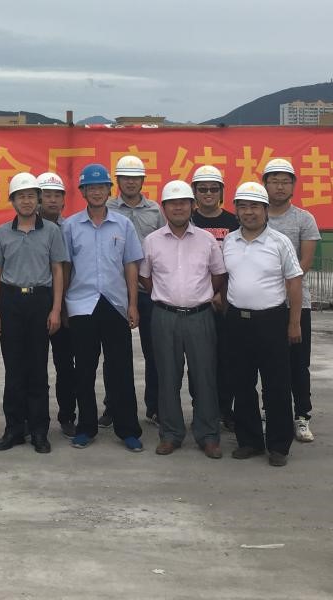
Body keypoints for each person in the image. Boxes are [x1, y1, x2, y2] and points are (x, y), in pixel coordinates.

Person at [138, 180, 226, 458]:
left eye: (184, 203)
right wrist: (166, 296)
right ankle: (171, 434)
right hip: (164, 317)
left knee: (205, 377)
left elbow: (218, 274)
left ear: (192, 206)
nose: (178, 207)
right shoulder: (152, 241)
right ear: (164, 208)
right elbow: (145, 277)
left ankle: (208, 435)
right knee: (167, 376)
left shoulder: (206, 240)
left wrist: (201, 295)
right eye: (173, 203)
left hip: (200, 316)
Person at [62, 164, 144, 452]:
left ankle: (128, 429)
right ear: (83, 192)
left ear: (110, 190)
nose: (96, 192)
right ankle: (86, 428)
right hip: (81, 305)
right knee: (84, 370)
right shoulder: (70, 226)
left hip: (115, 304)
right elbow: (65, 268)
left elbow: (130, 265)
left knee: (121, 369)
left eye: (101, 187)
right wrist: (62, 307)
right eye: (91, 188)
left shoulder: (123, 225)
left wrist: (133, 304)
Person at [221, 182, 303, 468]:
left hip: (271, 321)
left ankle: (278, 445)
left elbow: (294, 282)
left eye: (254, 206)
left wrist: (294, 323)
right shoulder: (229, 241)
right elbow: (225, 278)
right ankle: (250, 441)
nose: (249, 212)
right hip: (237, 321)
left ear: (266, 210)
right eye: (243, 206)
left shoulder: (279, 242)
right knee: (241, 383)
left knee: (276, 384)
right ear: (236, 211)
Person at [0, 172, 66, 453]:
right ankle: (14, 429)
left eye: (31, 196)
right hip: (10, 302)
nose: (27, 201)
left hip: (40, 301)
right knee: (14, 369)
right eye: (21, 196)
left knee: (37, 369)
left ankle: (39, 430)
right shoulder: (2, 233)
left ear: (38, 200)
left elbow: (57, 270)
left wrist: (56, 309)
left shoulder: (52, 231)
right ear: (12, 201)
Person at [263, 158, 322, 444]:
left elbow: (304, 263)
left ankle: (302, 416)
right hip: (263, 305)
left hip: (296, 303)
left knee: (298, 363)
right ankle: (271, 413)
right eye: (274, 181)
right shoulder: (254, 215)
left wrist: (284, 288)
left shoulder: (303, 219)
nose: (279, 186)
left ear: (294, 186)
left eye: (285, 181)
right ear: (264, 185)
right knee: (267, 363)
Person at [107, 154, 166, 426]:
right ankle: (113, 406)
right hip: (116, 291)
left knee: (155, 353)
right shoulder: (107, 208)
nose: (130, 182)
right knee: (115, 355)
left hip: (150, 291)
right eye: (125, 178)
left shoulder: (155, 211)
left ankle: (155, 406)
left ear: (143, 181)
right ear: (117, 181)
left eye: (135, 178)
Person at [190, 164, 241, 431]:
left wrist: (222, 294)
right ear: (194, 193)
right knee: (198, 361)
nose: (208, 193)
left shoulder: (234, 222)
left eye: (213, 189)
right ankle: (200, 409)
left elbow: (240, 262)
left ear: (221, 192)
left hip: (228, 301)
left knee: (227, 358)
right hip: (197, 302)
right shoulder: (187, 221)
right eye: (203, 189)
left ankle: (224, 409)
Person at [38, 171, 77, 437]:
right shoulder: (27, 227)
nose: (52, 200)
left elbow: (70, 267)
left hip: (66, 306)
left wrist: (63, 306)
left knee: (65, 365)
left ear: (64, 200)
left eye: (57, 195)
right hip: (37, 304)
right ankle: (35, 417)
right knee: (35, 364)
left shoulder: (72, 228)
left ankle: (67, 416)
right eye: (47, 195)